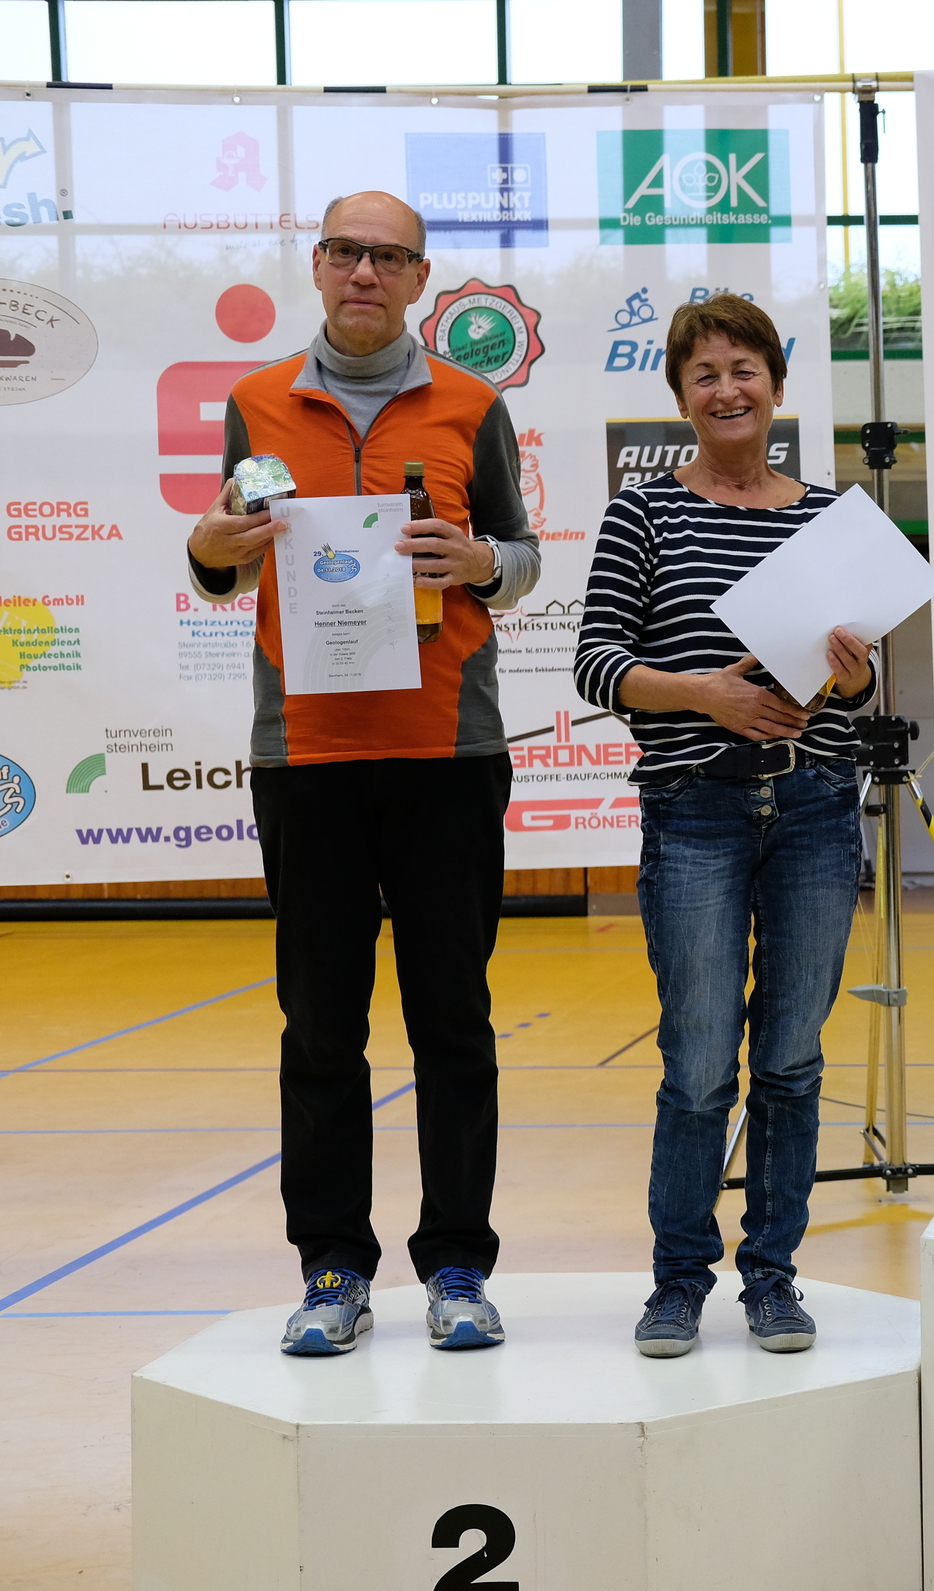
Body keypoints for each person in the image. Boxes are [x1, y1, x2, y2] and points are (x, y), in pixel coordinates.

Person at [183, 191, 540, 1356]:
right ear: (319, 263)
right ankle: (332, 1265)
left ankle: (458, 1267)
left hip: (448, 752)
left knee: (455, 1024)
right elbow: (228, 559)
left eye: (389, 257)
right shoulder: (256, 402)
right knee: (321, 1030)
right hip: (308, 756)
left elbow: (520, 556)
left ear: (421, 277)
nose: (365, 273)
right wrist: (206, 550)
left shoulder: (474, 405)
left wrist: (481, 560)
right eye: (346, 251)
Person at [574, 295, 874, 1357]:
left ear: (777, 387)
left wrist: (852, 675)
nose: (727, 389)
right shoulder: (644, 514)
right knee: (700, 1063)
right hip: (694, 809)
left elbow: (856, 685)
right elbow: (597, 664)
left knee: (791, 1060)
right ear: (682, 398)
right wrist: (707, 695)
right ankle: (677, 1283)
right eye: (704, 374)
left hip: (815, 806)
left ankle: (774, 1278)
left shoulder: (829, 519)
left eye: (745, 369)